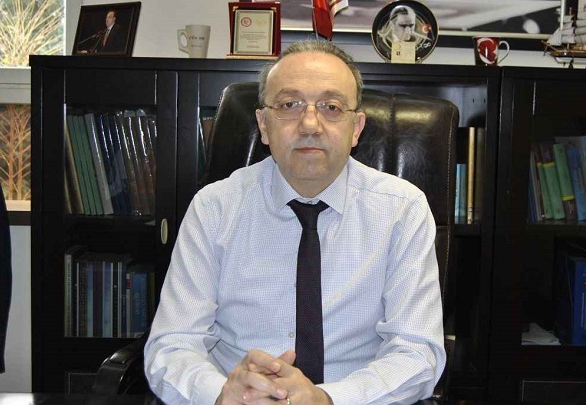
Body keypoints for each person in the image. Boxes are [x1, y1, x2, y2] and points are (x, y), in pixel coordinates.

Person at [144, 40, 445, 405]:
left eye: (332, 107)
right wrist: (222, 394)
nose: (310, 124)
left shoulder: (402, 209)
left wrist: (326, 399)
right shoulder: (215, 207)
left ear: (356, 128)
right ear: (263, 125)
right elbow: (171, 346)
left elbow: (417, 352)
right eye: (289, 105)